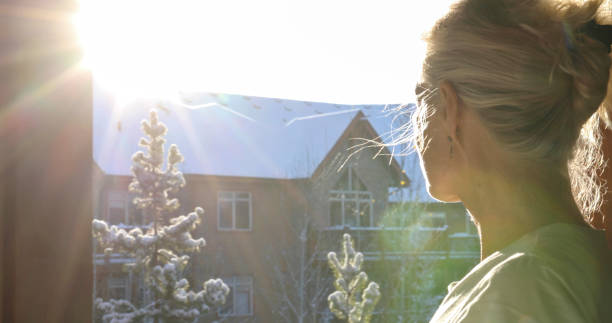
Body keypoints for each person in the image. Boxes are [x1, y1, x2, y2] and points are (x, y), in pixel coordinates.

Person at [408, 0, 612, 321]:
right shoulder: (555, 270)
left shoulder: (521, 289)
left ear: (450, 108)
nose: (415, 128)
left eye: (420, 99)